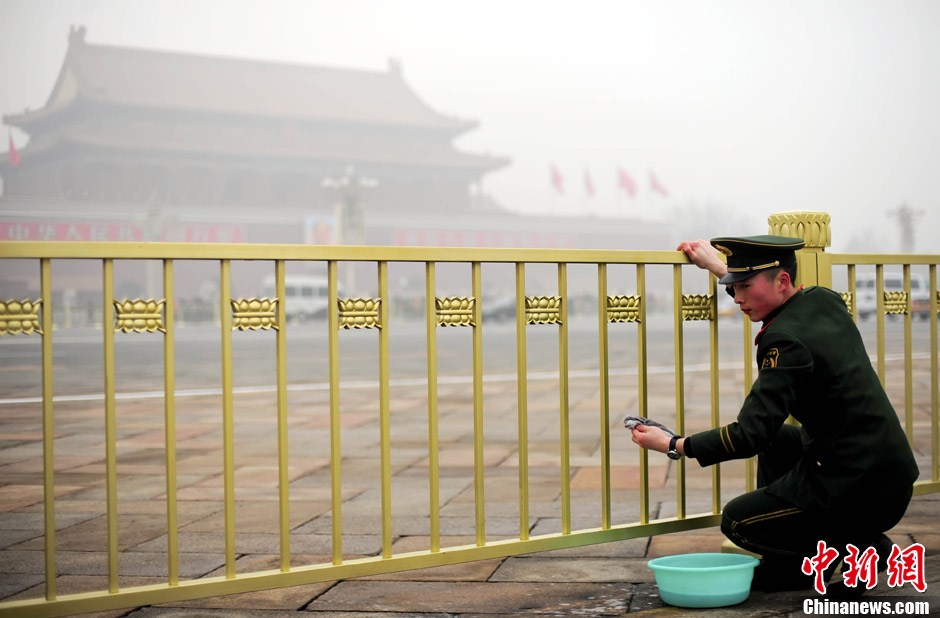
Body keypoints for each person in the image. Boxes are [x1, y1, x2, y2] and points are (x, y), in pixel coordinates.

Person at [629, 235, 919, 594]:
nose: (736, 299)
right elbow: (775, 296)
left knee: (739, 523)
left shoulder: (785, 342)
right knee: (780, 440)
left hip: (859, 487)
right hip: (888, 471)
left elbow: (749, 433)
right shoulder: (822, 301)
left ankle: (864, 548)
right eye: (733, 287)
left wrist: (674, 444)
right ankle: (794, 569)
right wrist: (719, 268)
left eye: (744, 287)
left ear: (782, 281)